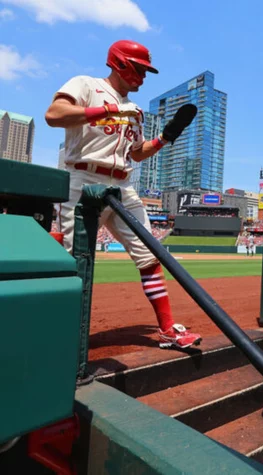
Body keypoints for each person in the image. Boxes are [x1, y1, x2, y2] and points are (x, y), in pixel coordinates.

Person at [45, 40, 201, 350]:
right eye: (139, 69)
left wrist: (164, 139)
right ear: (119, 63)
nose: (143, 77)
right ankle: (57, 334)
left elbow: (135, 153)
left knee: (149, 255)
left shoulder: (135, 111)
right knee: (71, 260)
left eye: (146, 72)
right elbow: (54, 114)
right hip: (82, 177)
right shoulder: (86, 85)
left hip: (123, 184)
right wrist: (109, 109)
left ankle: (168, 329)